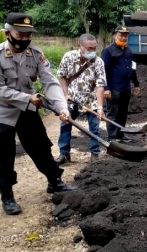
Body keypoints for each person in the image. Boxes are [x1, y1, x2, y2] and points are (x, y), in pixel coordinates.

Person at [0, 12, 76, 215]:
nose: (25, 38)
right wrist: (27, 98)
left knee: (41, 147)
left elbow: (50, 82)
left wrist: (62, 108)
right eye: (20, 34)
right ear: (8, 33)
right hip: (3, 113)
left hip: (27, 110)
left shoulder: (35, 54)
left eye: (28, 35)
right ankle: (7, 195)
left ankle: (55, 182)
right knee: (4, 155)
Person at [55, 34, 107, 165]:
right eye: (89, 48)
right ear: (80, 46)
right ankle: (64, 154)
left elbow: (100, 84)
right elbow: (61, 76)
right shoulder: (69, 57)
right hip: (71, 98)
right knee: (65, 125)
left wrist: (100, 107)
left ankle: (95, 154)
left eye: (94, 48)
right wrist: (65, 94)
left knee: (94, 127)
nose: (92, 51)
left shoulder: (98, 62)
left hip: (91, 99)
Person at [101, 26, 140, 142]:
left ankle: (120, 134)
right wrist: (106, 88)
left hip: (125, 88)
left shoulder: (128, 51)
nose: (123, 37)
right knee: (113, 113)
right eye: (121, 35)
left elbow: (132, 69)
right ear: (115, 35)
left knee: (123, 113)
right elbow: (104, 70)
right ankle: (112, 137)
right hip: (113, 88)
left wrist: (136, 84)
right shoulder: (108, 51)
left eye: (125, 35)